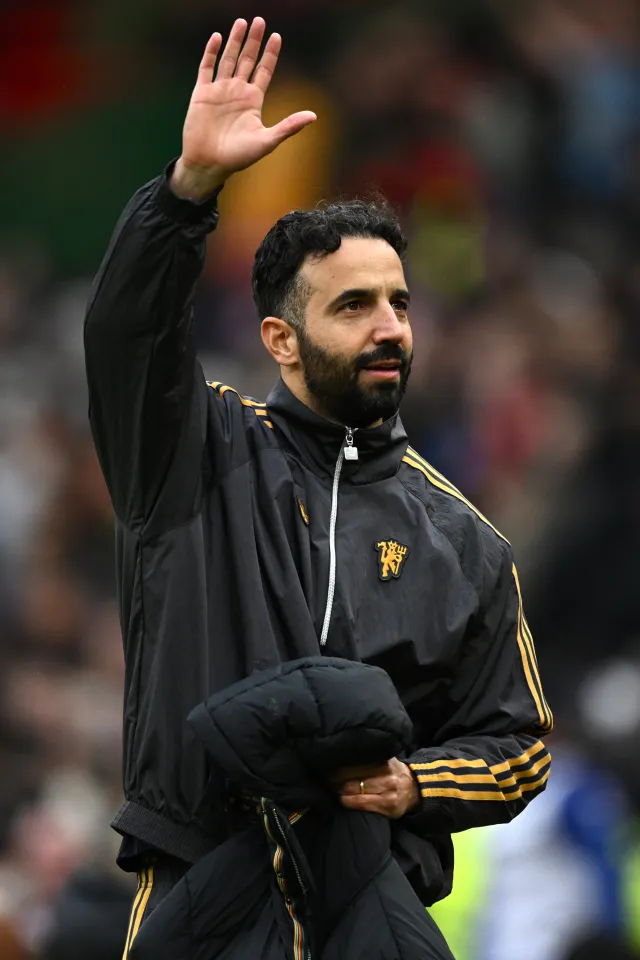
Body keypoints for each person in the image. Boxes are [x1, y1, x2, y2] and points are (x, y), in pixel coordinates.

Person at [84, 17, 553, 958]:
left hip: (364, 903)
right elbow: (126, 338)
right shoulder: (195, 451)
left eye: (399, 302)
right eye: (353, 306)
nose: (389, 327)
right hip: (202, 889)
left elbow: (521, 743)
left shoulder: (462, 539)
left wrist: (418, 785)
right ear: (280, 340)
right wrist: (188, 193)